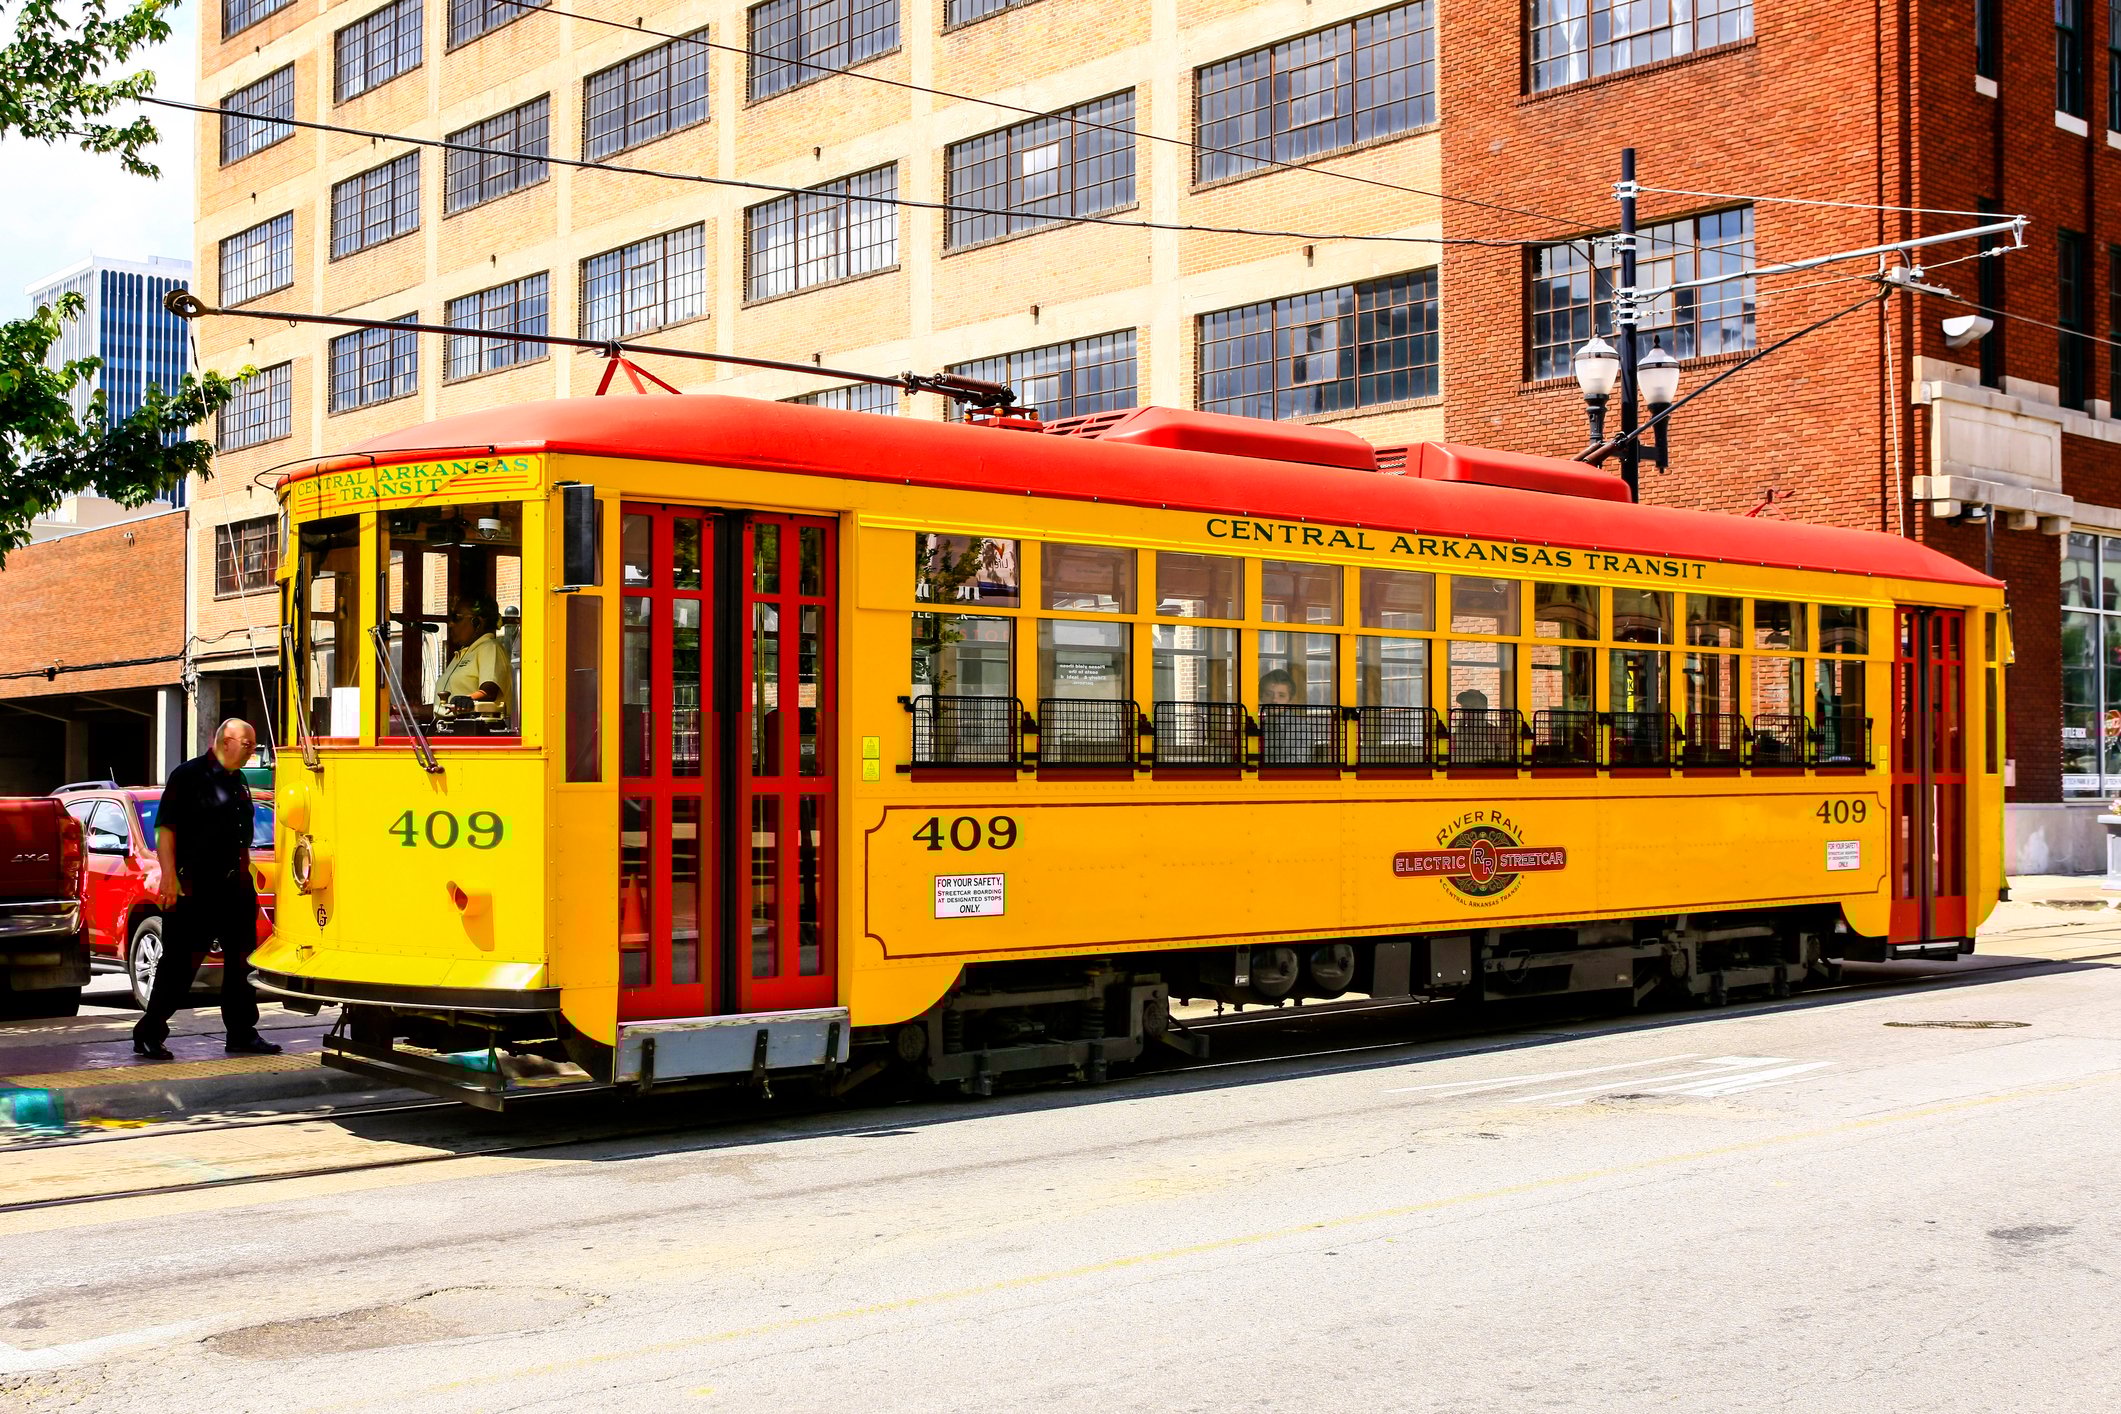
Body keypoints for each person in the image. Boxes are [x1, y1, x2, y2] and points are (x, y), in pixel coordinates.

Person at [133, 719, 281, 1060]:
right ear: (227, 742)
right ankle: (149, 1032)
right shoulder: (188, 776)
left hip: (235, 886)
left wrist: (248, 875)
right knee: (180, 965)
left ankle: (242, 1032)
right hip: (194, 887)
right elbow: (166, 830)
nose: (251, 752)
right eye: (247, 746)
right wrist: (168, 877)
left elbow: (240, 833)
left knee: (242, 963)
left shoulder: (239, 780)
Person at [434, 595, 510, 731]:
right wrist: (401, 708)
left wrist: (467, 700)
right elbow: (442, 706)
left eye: (456, 618)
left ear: (477, 622)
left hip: (474, 732)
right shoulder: (463, 654)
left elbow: (489, 691)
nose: (450, 624)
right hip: (449, 731)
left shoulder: (489, 647)